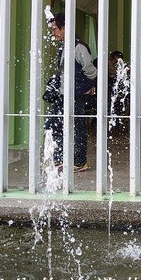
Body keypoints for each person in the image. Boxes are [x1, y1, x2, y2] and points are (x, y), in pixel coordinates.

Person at [44, 12, 97, 172]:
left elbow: (91, 71)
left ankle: (80, 162)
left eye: (55, 29)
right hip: (63, 95)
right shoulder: (65, 46)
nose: (53, 33)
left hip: (74, 95)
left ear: (64, 28)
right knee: (53, 124)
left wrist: (83, 87)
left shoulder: (78, 46)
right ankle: (60, 158)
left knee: (78, 127)